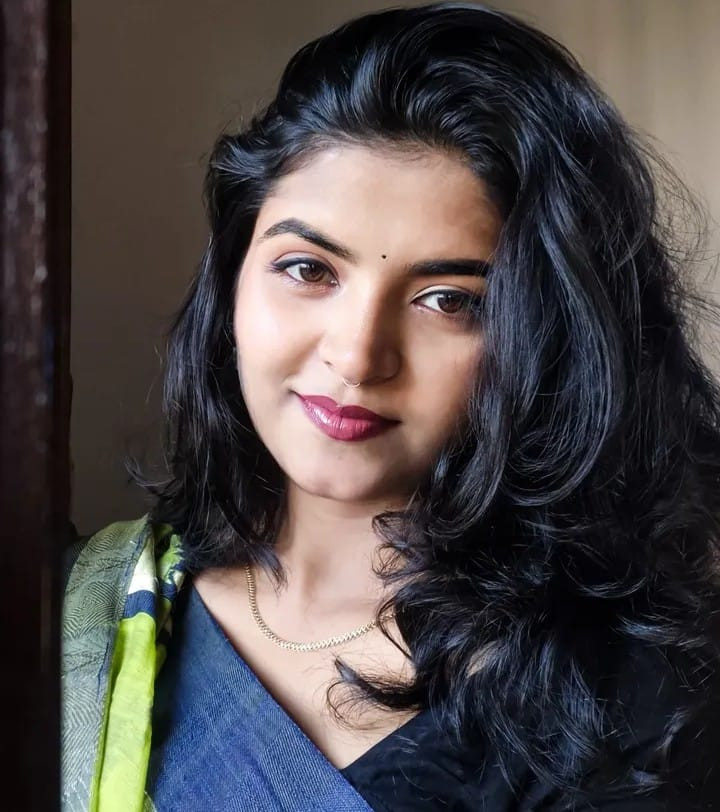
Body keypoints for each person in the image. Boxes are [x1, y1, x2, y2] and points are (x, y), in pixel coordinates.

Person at [62, 3, 720, 810]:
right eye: (308, 270)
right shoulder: (85, 616)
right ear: (232, 277)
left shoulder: (625, 707)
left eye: (448, 300)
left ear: (549, 337)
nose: (357, 356)